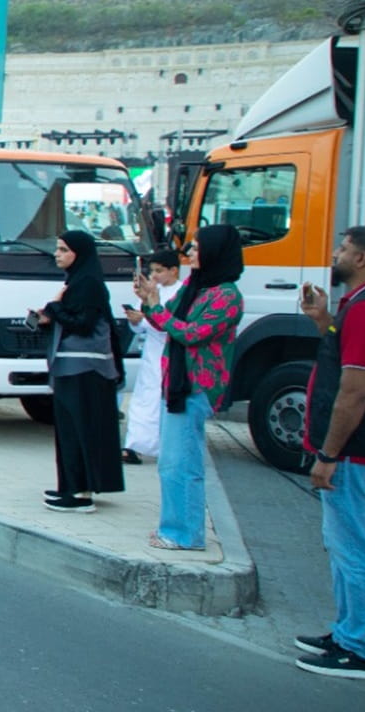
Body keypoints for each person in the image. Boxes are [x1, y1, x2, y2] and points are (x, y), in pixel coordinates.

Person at [294, 224, 365, 680]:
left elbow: (355, 390)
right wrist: (323, 320)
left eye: (343, 248)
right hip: (359, 449)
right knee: (344, 544)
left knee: (356, 547)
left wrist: (328, 453)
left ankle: (359, 648)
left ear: (362, 259)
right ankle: (345, 633)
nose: (335, 254)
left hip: (358, 451)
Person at [133, 223, 244, 551]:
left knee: (182, 462)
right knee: (172, 462)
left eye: (197, 247)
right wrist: (150, 300)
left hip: (197, 386)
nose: (190, 253)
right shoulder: (194, 287)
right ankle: (175, 528)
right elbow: (165, 320)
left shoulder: (227, 295)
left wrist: (156, 309)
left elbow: (191, 333)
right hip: (177, 383)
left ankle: (184, 534)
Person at [29, 231, 126, 512]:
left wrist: (55, 309)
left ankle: (82, 493)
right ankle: (70, 486)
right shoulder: (78, 281)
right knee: (69, 430)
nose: (57, 254)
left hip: (86, 369)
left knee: (81, 428)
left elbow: (83, 323)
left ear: (79, 253)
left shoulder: (89, 284)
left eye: (63, 249)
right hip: (71, 368)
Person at [122, 249, 182, 463]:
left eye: (159, 271)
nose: (154, 275)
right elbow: (141, 328)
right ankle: (134, 445)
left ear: (173, 270)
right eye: (152, 271)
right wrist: (135, 319)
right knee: (143, 399)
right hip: (151, 352)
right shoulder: (151, 291)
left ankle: (161, 446)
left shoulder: (181, 293)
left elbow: (171, 324)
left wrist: (146, 319)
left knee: (160, 400)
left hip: (170, 352)